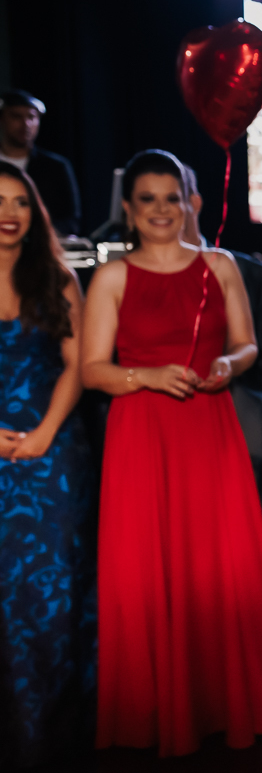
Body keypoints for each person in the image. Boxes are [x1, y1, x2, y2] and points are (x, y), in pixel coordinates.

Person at [81, 149, 262, 756]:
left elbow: (247, 346)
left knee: (216, 566)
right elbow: (92, 370)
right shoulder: (112, 276)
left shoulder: (219, 265)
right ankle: (155, 711)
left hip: (208, 424)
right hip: (142, 432)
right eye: (147, 199)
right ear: (128, 208)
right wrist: (148, 376)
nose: (160, 210)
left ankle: (222, 702)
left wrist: (227, 366)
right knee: (149, 567)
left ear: (188, 203)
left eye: (171, 198)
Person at [0, 162, 95, 768]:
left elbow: (78, 365)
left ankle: (51, 730)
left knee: (54, 593)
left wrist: (44, 434)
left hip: (51, 454)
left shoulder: (57, 278)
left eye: (20, 202)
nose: (9, 213)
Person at [179, 163, 262, 504]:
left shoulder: (249, 273)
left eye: (173, 197)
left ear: (194, 203)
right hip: (171, 419)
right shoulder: (128, 275)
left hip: (241, 414)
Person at [0, 90, 81, 237]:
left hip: (40, 250)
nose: (25, 124)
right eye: (16, 116)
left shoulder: (56, 167)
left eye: (31, 117)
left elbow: (69, 221)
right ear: (3, 118)